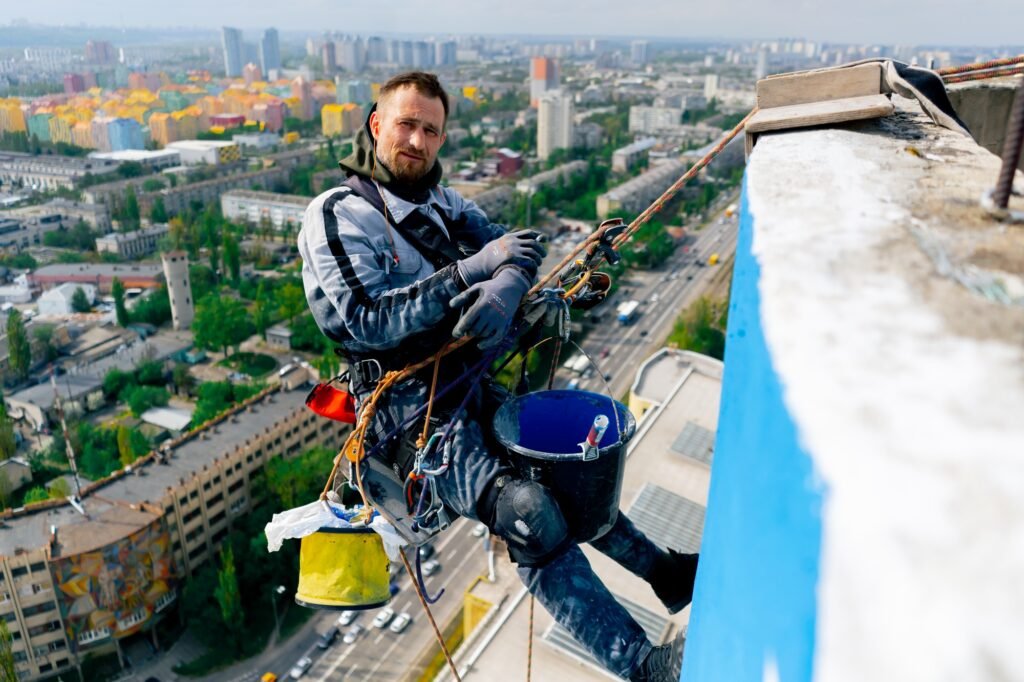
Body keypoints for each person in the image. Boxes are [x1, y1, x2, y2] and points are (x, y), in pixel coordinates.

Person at [298, 71, 697, 681]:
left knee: (570, 479)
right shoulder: (339, 215)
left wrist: (509, 283)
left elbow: (518, 250)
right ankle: (641, 665)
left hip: (467, 377)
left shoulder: (444, 205)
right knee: (527, 513)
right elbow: (369, 317)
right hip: (409, 409)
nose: (417, 141)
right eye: (405, 124)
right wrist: (471, 273)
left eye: (431, 130)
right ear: (376, 125)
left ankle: (666, 575)